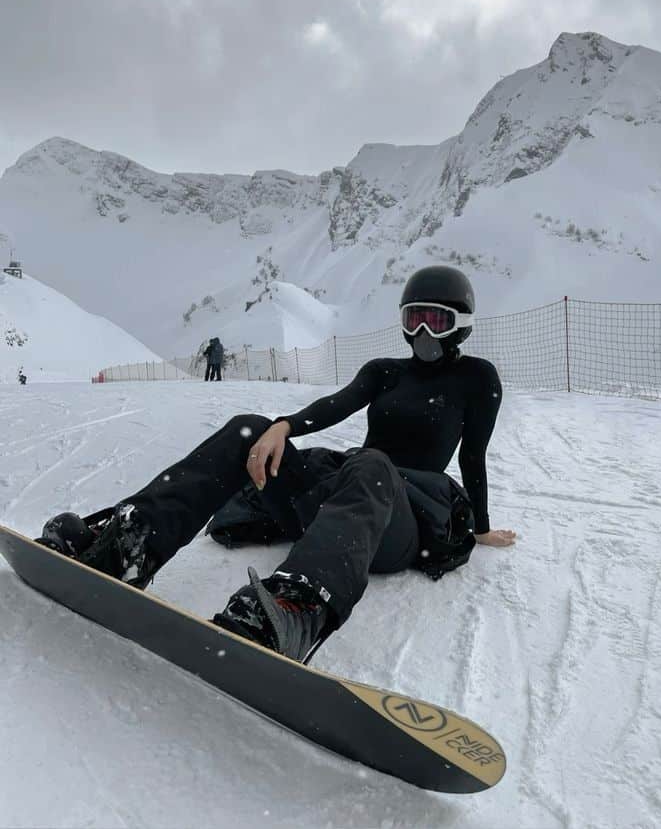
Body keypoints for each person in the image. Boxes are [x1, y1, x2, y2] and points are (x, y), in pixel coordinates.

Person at [37, 266, 514, 664]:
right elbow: (337, 404)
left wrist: (480, 527)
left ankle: (297, 610)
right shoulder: (385, 371)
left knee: (372, 462)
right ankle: (132, 544)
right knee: (249, 429)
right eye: (415, 319)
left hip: (402, 517)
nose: (424, 332)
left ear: (461, 324)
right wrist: (282, 426)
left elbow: (472, 457)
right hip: (349, 501)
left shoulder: (477, 378)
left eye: (437, 320)